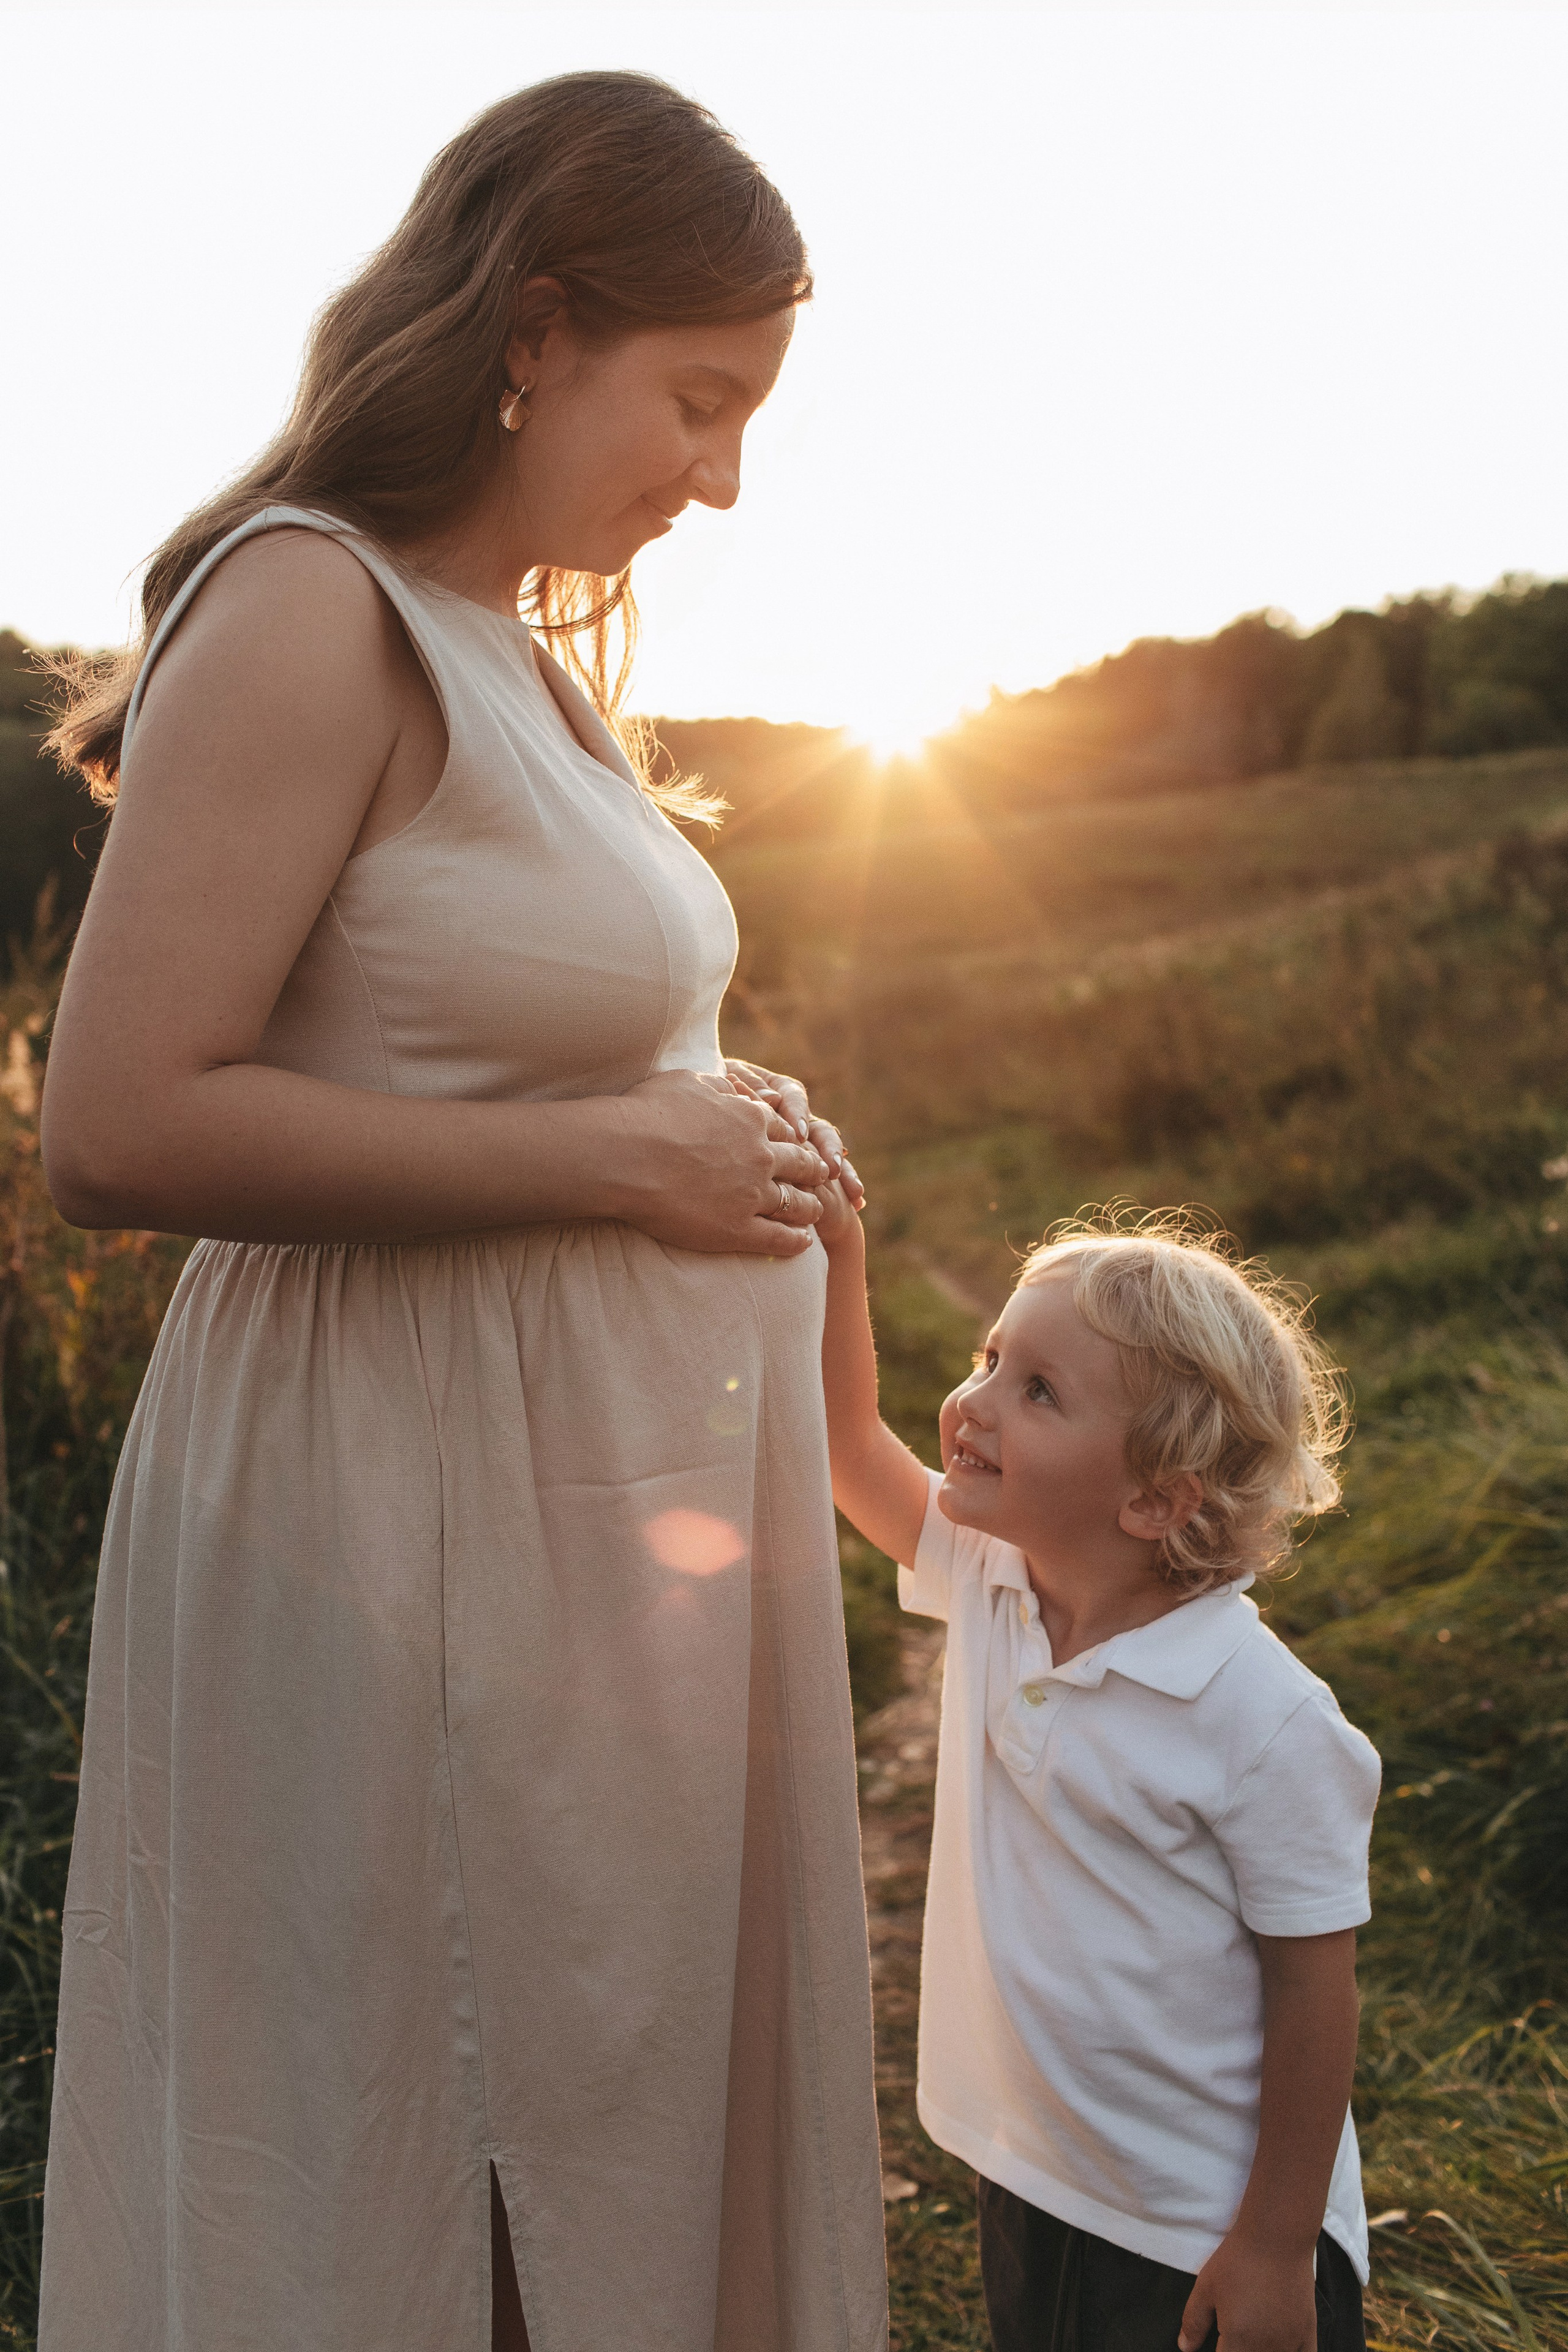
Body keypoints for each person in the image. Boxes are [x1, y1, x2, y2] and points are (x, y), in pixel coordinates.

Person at [38, 73, 888, 2352]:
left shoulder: (520, 652)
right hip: (394, 1528)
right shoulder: (315, 608)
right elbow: (117, 1125)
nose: (719, 477)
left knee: (586, 2147)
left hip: (575, 1554)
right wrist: (624, 1153)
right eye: (699, 402)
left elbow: (480, 1029)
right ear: (535, 326)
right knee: (445, 2149)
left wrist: (709, 1111)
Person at [816, 1192, 1382, 2352]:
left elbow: (1313, 1990)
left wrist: (1273, 2249)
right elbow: (850, 1447)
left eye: (1037, 1392)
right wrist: (843, 1249)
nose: (970, 1405)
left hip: (1201, 2228)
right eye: (990, 1358)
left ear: (1155, 1499)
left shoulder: (1263, 1718)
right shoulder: (995, 1574)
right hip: (1039, 2174)